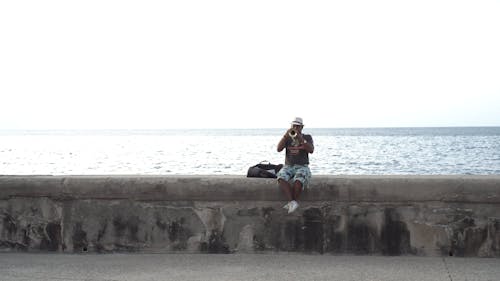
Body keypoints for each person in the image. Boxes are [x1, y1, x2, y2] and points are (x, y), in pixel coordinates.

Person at [276, 117, 314, 213]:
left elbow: (311, 150)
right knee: (281, 178)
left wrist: (300, 138)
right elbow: (278, 149)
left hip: (302, 166)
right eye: (294, 126)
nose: (296, 128)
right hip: (289, 166)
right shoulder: (287, 138)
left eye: (298, 126)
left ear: (302, 127)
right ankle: (292, 202)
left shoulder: (307, 137)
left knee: (298, 180)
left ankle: (292, 203)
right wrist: (285, 136)